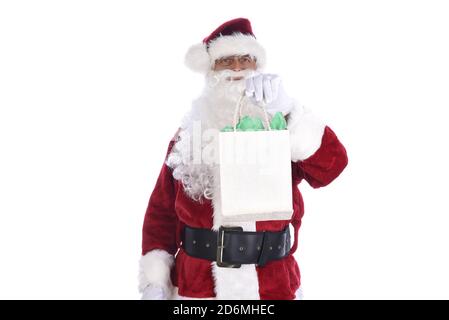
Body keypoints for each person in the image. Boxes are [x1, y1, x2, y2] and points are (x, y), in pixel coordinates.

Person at [139, 18, 348, 300]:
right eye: (226, 60)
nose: (237, 67)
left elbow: (332, 167)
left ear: (256, 66)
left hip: (271, 286)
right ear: (210, 70)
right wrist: (155, 281)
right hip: (199, 290)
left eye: (245, 59)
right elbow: (161, 212)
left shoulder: (280, 124)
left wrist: (289, 111)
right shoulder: (188, 136)